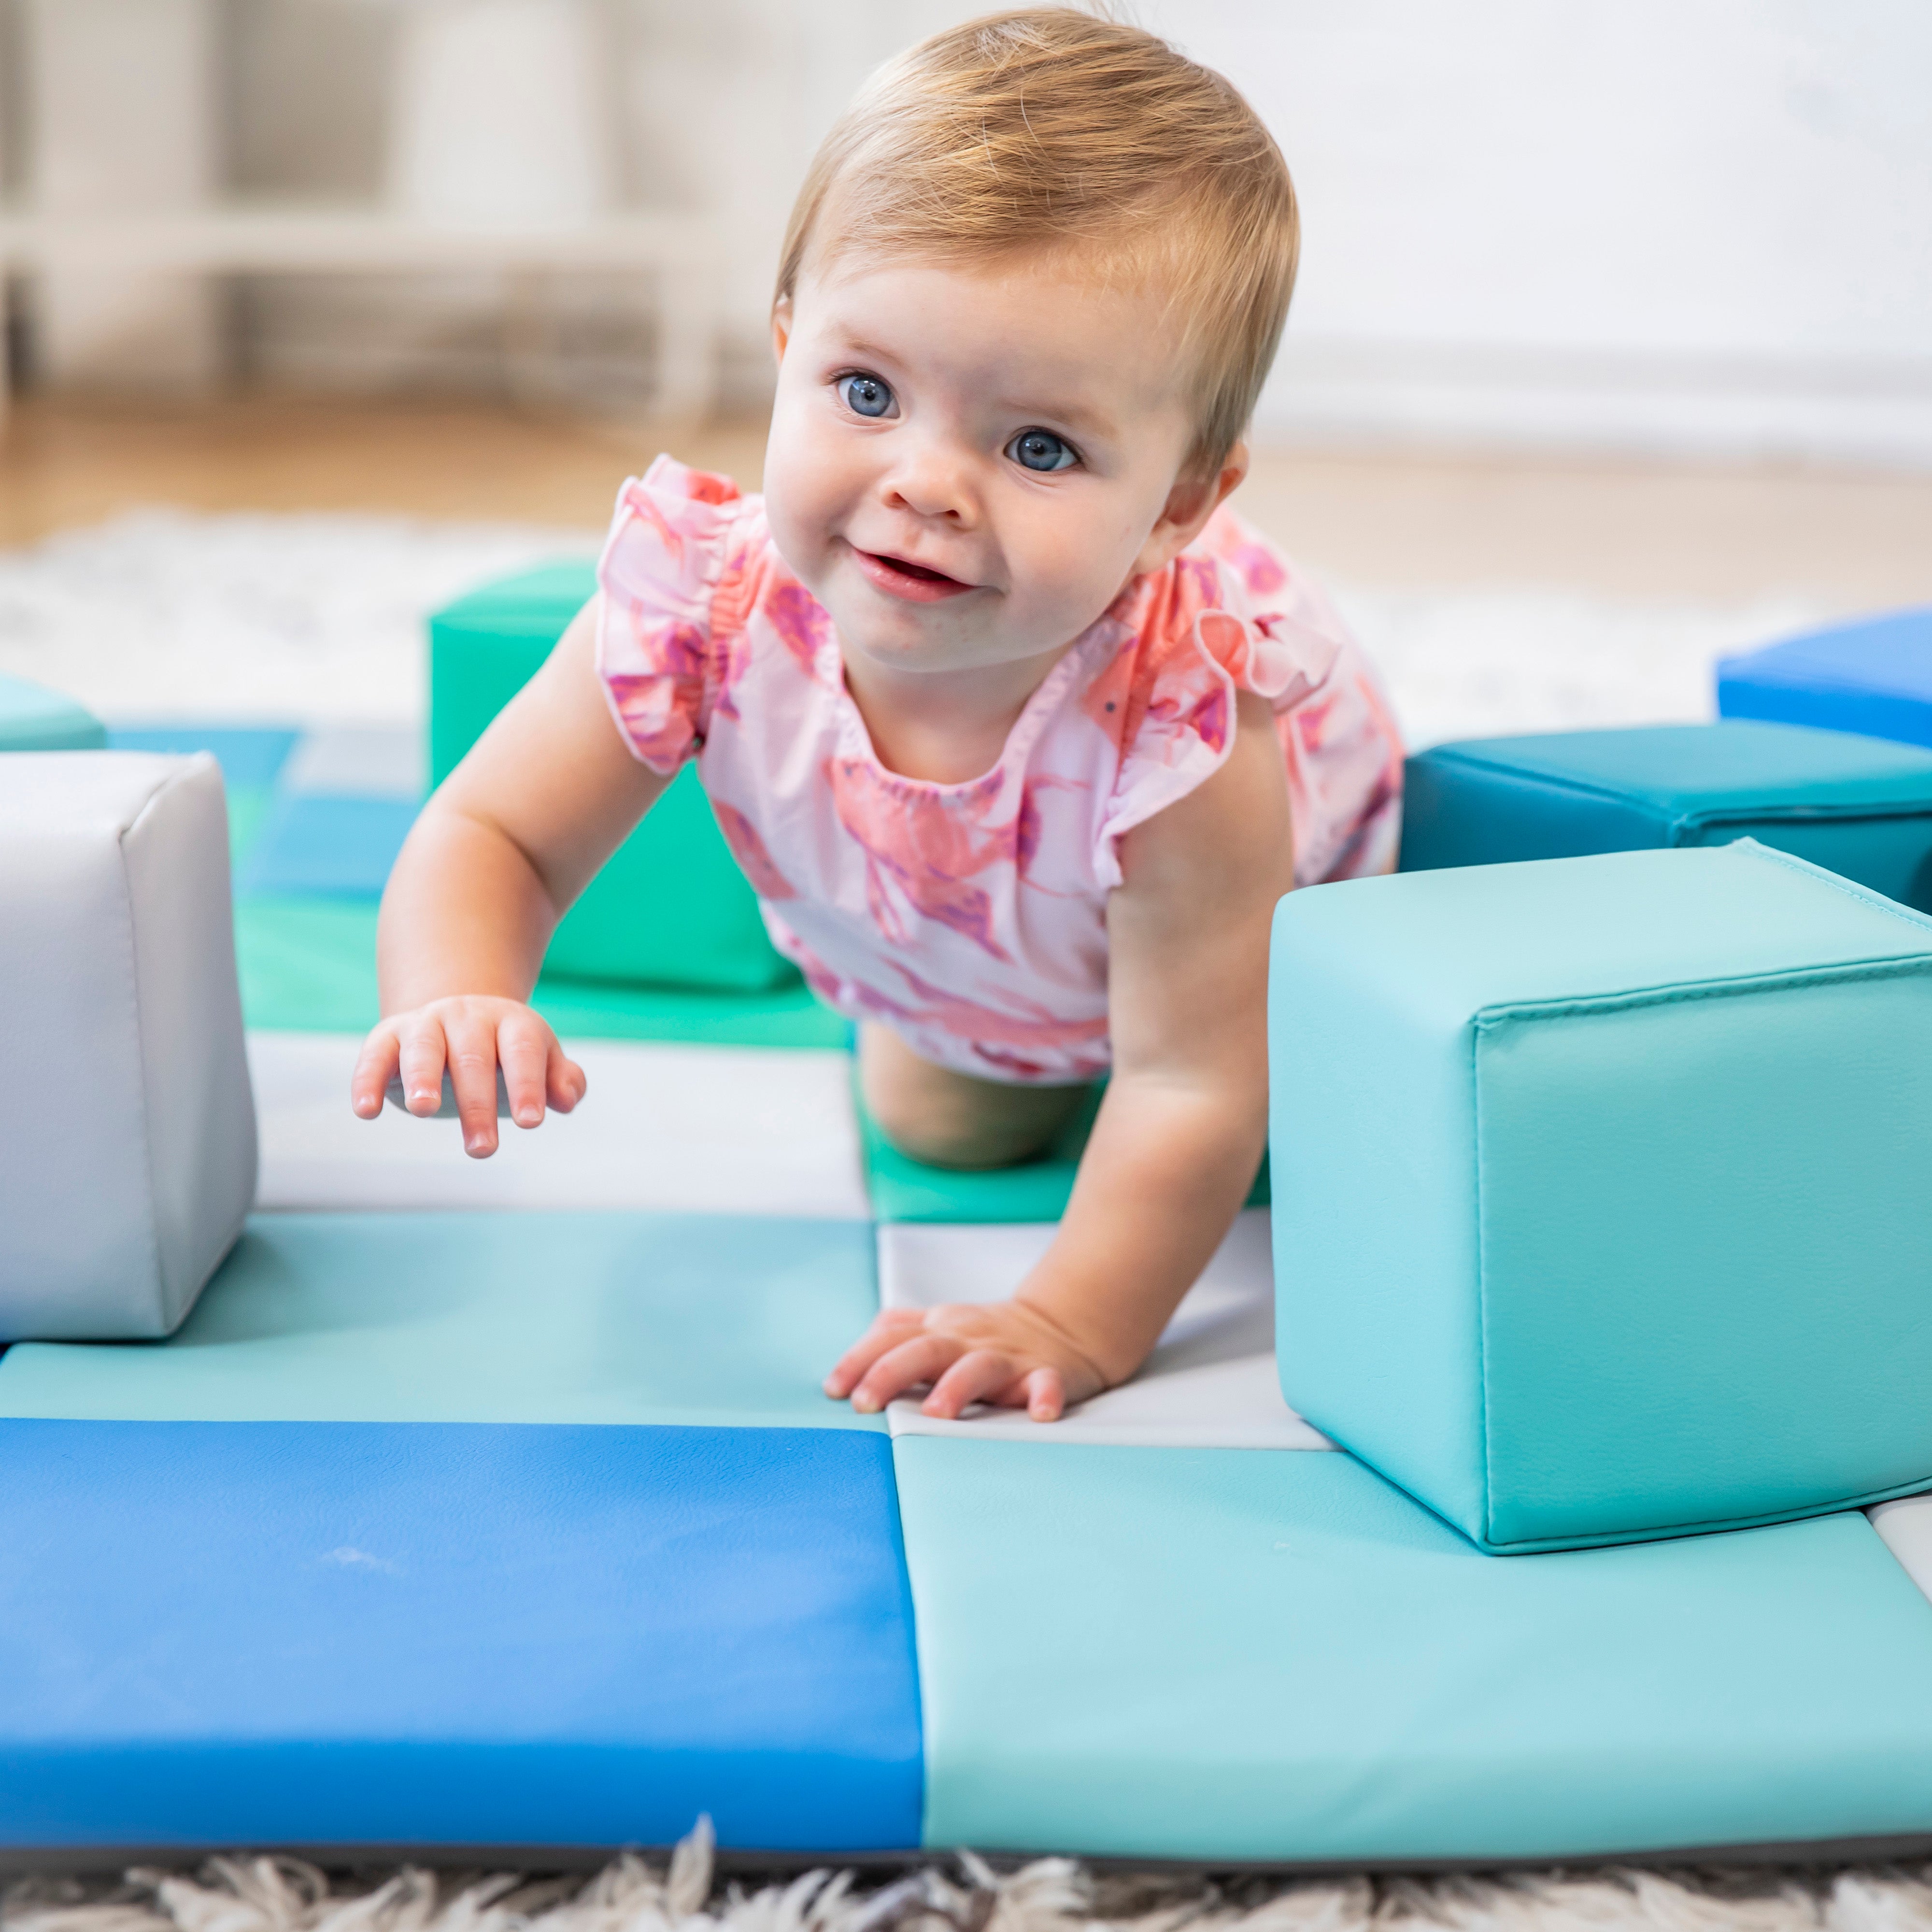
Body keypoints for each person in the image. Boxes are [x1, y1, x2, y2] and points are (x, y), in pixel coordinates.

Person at [351, 7, 1403, 1424]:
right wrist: (457, 989)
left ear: (1177, 506)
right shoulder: (700, 609)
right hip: (952, 947)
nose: (927, 482)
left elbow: (1190, 1082)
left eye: (1040, 446)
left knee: (1269, 1129)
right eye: (866, 391)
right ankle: (949, 996)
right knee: (946, 1130)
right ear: (784, 348)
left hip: (1245, 942)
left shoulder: (1188, 734)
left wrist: (1067, 1318)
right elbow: (497, 833)